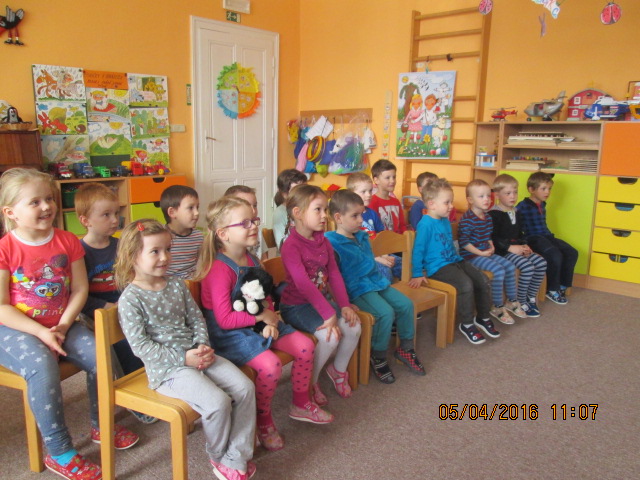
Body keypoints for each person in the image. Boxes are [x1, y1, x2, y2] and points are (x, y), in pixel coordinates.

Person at [0, 168, 138, 480]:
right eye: (34, 202)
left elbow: (79, 289)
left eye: (49, 199)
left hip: (60, 323)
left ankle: (101, 425)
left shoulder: (66, 241)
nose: (46, 206)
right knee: (42, 366)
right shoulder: (5, 249)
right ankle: (59, 451)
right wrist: (41, 332)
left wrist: (62, 326)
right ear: (10, 212)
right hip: (15, 329)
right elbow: (1, 307)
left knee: (100, 355)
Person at [115, 219, 256, 480]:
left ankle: (237, 455)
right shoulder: (130, 299)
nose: (164, 257)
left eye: (167, 249)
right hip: (167, 370)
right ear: (132, 256)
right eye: (155, 251)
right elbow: (141, 347)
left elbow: (196, 318)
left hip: (198, 354)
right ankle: (218, 456)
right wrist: (184, 358)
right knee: (217, 403)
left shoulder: (177, 284)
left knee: (245, 387)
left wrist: (202, 344)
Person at [195, 196, 332, 452]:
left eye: (254, 220)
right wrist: (262, 317)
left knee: (305, 346)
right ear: (223, 233)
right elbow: (224, 319)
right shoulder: (218, 269)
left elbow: (264, 294)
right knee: (270, 366)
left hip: (259, 320)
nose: (254, 226)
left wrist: (269, 317)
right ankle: (263, 420)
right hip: (231, 333)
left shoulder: (251, 259)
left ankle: (301, 403)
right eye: (245, 223)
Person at [75, 183, 156, 424]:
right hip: (97, 312)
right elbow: (79, 294)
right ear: (85, 220)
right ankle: (135, 398)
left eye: (116, 213)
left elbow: (133, 276)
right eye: (106, 215)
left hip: (125, 303)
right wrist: (107, 308)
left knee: (153, 332)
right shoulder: (79, 252)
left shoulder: (120, 244)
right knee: (124, 344)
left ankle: (152, 382)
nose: (115, 220)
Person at [325, 190, 425, 384]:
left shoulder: (362, 236)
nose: (361, 219)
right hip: (357, 289)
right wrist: (343, 303)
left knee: (406, 305)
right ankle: (377, 356)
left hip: (376, 282)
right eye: (355, 216)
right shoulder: (332, 243)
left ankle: (406, 348)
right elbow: (331, 279)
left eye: (361, 214)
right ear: (338, 218)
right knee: (385, 313)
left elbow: (369, 261)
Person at [279, 185, 361, 405]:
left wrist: (344, 305)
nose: (325, 215)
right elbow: (303, 284)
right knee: (330, 336)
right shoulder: (290, 246)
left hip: (320, 303)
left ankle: (338, 370)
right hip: (296, 307)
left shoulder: (323, 240)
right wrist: (328, 314)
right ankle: (311, 381)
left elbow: (333, 273)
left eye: (325, 209)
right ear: (298, 213)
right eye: (318, 209)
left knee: (353, 326)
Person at [408, 178, 496, 345]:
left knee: (482, 279)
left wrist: (459, 261)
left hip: (454, 261)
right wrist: (417, 273)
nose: (451, 206)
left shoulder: (445, 220)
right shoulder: (425, 224)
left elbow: (448, 244)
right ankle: (467, 323)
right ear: (432, 204)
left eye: (451, 202)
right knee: (465, 284)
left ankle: (483, 317)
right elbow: (418, 251)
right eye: (447, 202)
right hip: (438, 268)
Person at [458, 179, 526, 325]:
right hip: (471, 256)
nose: (486, 199)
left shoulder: (487, 217)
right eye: (481, 196)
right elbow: (464, 243)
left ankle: (512, 301)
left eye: (488, 196)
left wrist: (491, 246)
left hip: (485, 252)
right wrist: (481, 253)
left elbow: (488, 236)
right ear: (470, 200)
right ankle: (497, 306)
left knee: (509, 266)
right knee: (498, 270)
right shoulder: (467, 219)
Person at [489, 174, 547, 318]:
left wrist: (524, 245)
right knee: (527, 267)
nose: (513, 196)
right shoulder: (494, 214)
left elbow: (521, 232)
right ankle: (518, 300)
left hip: (517, 247)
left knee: (541, 263)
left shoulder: (516, 211)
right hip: (503, 251)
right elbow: (493, 238)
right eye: (508, 193)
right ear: (497, 195)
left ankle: (530, 297)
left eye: (515, 192)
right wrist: (509, 248)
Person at [517, 172, 578, 305]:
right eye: (543, 189)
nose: (547, 192)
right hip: (533, 238)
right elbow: (516, 226)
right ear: (531, 189)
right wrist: (521, 243)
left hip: (546, 236)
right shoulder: (522, 206)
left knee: (572, 252)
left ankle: (562, 285)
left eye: (549, 189)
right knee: (554, 254)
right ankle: (552, 289)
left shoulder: (542, 204)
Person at [347, 172, 395, 280]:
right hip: (363, 257)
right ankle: (385, 290)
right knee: (385, 272)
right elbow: (355, 248)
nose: (369, 195)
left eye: (370, 190)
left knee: (402, 264)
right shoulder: (349, 217)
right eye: (363, 191)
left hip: (378, 252)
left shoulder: (372, 213)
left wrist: (385, 255)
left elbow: (381, 236)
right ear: (351, 194)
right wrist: (378, 258)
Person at [160, 185, 203, 279]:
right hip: (168, 284)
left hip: (192, 283)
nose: (197, 213)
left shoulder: (198, 236)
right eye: (190, 208)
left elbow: (201, 264)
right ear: (172, 212)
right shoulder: (161, 237)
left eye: (197, 207)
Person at [224, 185, 267, 260]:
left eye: (255, 205)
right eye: (246, 205)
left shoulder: (256, 230)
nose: (253, 211)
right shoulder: (227, 234)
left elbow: (264, 259)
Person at [368, 159, 407, 234]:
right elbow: (372, 230)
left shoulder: (396, 202)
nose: (392, 181)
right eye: (387, 178)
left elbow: (402, 226)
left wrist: (406, 235)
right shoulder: (372, 202)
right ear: (376, 180)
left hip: (398, 239)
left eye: (394, 177)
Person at [272, 169, 307, 250]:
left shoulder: (308, 208)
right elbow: (283, 246)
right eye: (297, 190)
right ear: (283, 193)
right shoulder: (280, 213)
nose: (303, 194)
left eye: (305, 189)